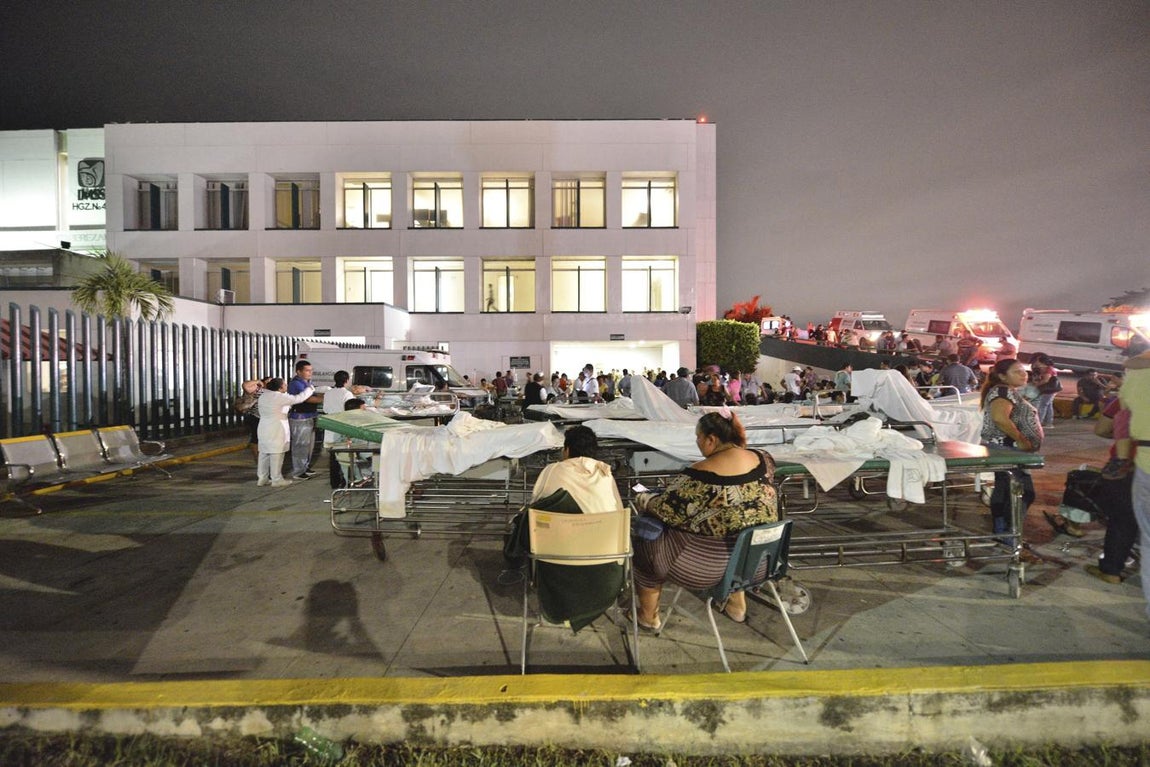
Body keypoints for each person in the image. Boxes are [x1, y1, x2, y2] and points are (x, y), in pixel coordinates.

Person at [631, 412, 778, 631]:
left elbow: (666, 511)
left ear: (711, 439)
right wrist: (740, 444)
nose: (697, 442)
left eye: (698, 437)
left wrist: (644, 498)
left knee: (645, 543)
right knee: (738, 528)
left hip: (711, 568)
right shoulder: (764, 460)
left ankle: (647, 616)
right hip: (762, 561)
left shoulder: (697, 475)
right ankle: (737, 604)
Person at [979, 359, 1042, 545]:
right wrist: (1021, 440)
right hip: (1007, 448)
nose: (1024, 374)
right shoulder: (1002, 391)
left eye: (1024, 370)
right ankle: (1008, 533)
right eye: (1018, 371)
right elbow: (1000, 418)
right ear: (1002, 376)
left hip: (1005, 448)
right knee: (1021, 492)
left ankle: (1003, 531)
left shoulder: (1007, 391)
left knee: (1006, 488)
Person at [1084, 396, 1138, 584]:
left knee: (1123, 520)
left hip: (1129, 465)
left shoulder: (1130, 394)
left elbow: (1102, 429)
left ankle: (1111, 571)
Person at [530, 425, 623, 513]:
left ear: (567, 450)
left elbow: (534, 506)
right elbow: (618, 509)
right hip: (604, 528)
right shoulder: (605, 474)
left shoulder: (552, 470)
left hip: (561, 528)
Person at [256, 376, 316, 488]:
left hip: (263, 426)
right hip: (277, 427)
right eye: (285, 384)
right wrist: (310, 389)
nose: (286, 386)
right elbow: (298, 398)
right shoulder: (279, 397)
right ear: (280, 387)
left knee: (264, 453)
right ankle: (276, 479)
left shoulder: (264, 396)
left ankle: (262, 478)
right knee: (277, 453)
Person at [287, 360, 323, 480]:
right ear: (298, 371)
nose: (310, 373)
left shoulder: (307, 382)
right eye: (307, 370)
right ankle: (298, 471)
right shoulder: (295, 384)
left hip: (310, 416)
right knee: (300, 445)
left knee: (309, 445)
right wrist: (325, 398)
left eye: (311, 370)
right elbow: (308, 399)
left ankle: (305, 467)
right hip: (300, 418)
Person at [1030, 354, 1061, 427]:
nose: (1036, 362)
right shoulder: (1044, 368)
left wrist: (1036, 384)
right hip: (1049, 389)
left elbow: (1046, 380)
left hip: (1049, 390)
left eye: (1038, 361)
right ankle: (1049, 422)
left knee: (1042, 405)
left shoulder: (1049, 369)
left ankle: (1039, 423)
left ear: (1043, 362)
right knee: (1048, 405)